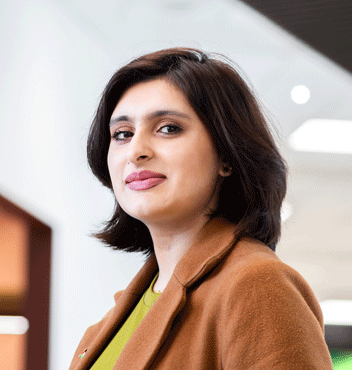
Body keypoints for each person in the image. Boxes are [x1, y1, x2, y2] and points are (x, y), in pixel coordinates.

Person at [69, 48, 333, 369]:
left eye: (168, 128)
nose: (135, 151)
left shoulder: (257, 285)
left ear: (226, 155)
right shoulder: (105, 326)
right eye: (122, 134)